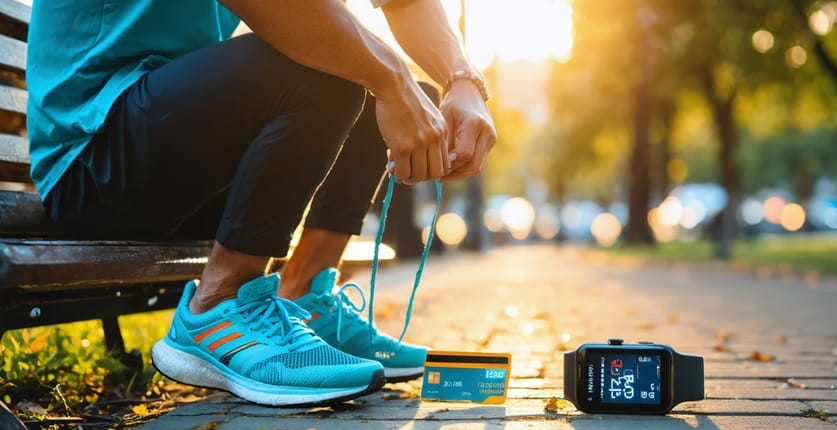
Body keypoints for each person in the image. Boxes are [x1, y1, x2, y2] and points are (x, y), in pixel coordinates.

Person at [26, 0, 497, 406]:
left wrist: (463, 82)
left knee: (382, 80)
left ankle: (305, 296)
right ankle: (216, 308)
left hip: (178, 155)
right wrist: (392, 77)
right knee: (339, 68)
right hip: (91, 157)